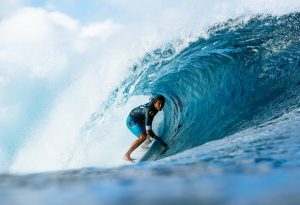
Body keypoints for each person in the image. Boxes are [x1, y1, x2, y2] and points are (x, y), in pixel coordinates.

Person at [124, 94, 168, 162]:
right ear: (155, 103)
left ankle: (143, 147)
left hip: (140, 118)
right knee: (143, 137)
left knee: (148, 138)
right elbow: (149, 132)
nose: (160, 106)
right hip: (132, 120)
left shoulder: (154, 101)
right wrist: (161, 141)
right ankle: (126, 155)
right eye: (159, 103)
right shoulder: (150, 112)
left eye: (162, 104)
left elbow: (151, 98)